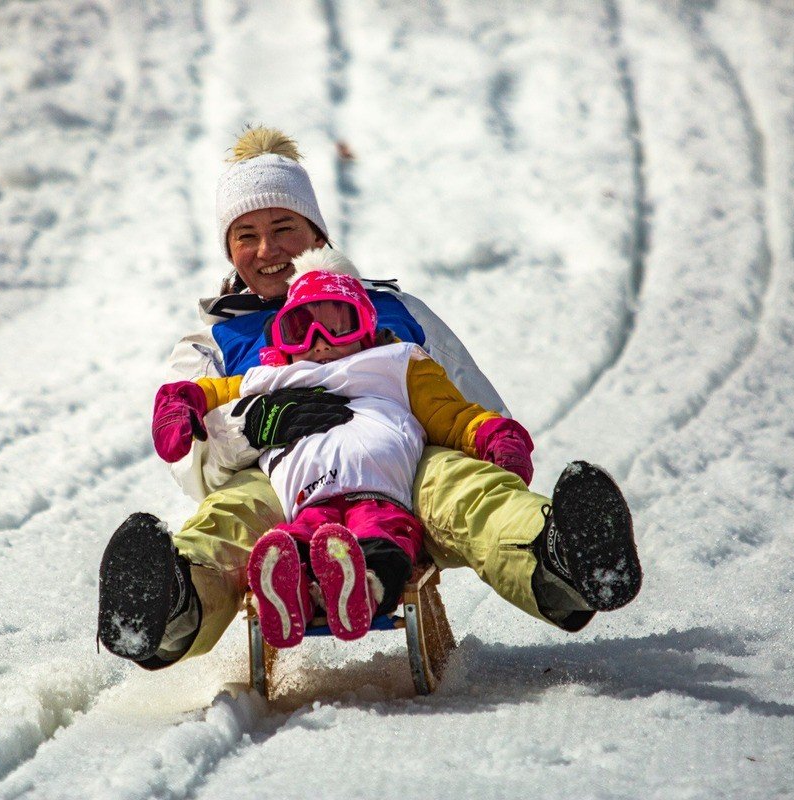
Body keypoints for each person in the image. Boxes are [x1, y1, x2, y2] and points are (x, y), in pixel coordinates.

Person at [97, 126, 641, 670]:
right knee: (228, 521)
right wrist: (249, 430)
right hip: (278, 477)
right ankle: (172, 608)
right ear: (229, 248)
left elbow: (472, 403)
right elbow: (191, 467)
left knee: (466, 488)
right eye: (246, 236)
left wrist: (479, 438)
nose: (267, 251)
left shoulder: (394, 311)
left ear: (316, 233)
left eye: (284, 227)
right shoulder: (212, 342)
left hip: (402, 464)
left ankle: (558, 563)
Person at [154, 254, 540, 650]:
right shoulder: (272, 374)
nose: (319, 343)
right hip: (304, 497)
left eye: (339, 326)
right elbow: (210, 391)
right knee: (293, 539)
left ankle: (367, 586)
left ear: (368, 329)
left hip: (385, 490)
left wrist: (495, 434)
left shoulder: (392, 362)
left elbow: (453, 413)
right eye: (299, 330)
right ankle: (253, 591)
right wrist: (181, 406)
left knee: (385, 535)